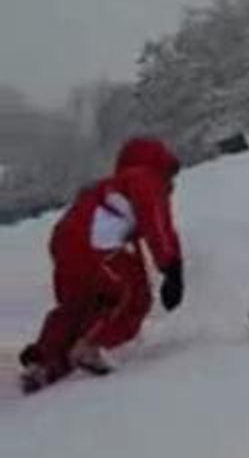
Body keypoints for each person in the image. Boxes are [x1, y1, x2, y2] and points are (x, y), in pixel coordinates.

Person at [18, 137, 185, 393]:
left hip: (65, 242)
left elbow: (129, 235)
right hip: (96, 244)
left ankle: (43, 363)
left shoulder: (108, 187)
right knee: (136, 298)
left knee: (79, 306)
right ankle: (91, 346)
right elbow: (158, 226)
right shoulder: (145, 178)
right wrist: (172, 268)